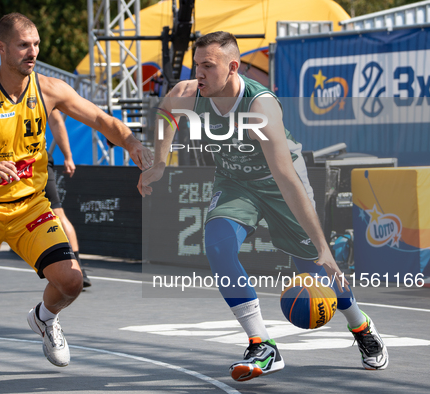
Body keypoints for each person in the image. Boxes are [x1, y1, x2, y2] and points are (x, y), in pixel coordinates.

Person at [0, 12, 151, 384]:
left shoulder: (49, 88)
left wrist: (133, 144)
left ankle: (45, 318)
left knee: (70, 281)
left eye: (35, 44)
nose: (32, 51)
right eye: (23, 45)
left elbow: (101, 120)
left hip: (29, 209)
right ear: (1, 48)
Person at [139, 31, 388, 382]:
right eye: (196, 65)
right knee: (218, 246)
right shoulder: (190, 94)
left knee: (318, 269)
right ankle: (262, 344)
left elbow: (287, 179)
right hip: (235, 183)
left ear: (233, 68)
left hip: (278, 184)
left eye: (208, 66)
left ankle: (360, 326)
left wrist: (323, 248)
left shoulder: (260, 106)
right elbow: (166, 113)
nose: (199, 73)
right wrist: (160, 162)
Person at [0, 110, 92, 293]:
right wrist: (68, 156)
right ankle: (77, 268)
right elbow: (57, 122)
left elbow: (56, 122)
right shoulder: (41, 90)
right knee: (56, 211)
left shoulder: (8, 91)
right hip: (24, 161)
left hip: (19, 161)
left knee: (2, 211)